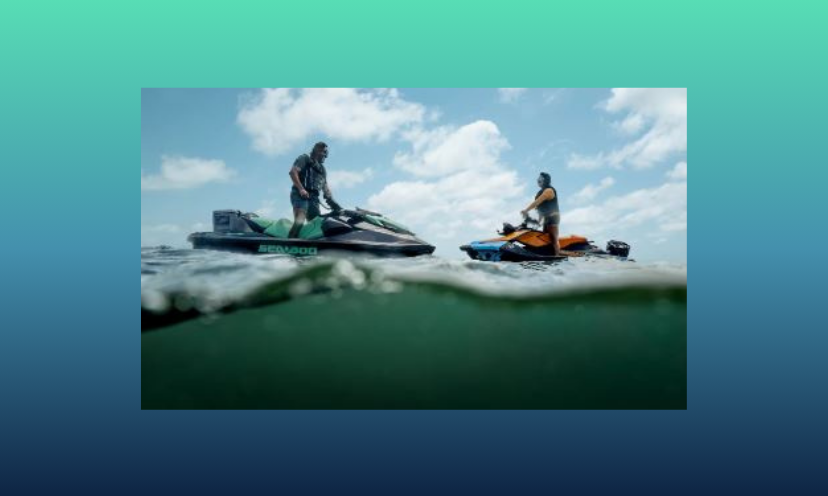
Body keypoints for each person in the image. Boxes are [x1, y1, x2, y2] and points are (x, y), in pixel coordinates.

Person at [288, 142, 340, 238]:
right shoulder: (304, 158)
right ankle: (289, 243)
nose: (326, 155)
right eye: (324, 152)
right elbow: (293, 172)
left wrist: (335, 204)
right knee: (300, 219)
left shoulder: (322, 169)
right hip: (300, 194)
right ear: (318, 150)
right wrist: (301, 189)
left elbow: (326, 188)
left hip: (314, 198)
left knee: (316, 224)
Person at [521, 172, 561, 255]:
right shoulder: (539, 192)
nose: (538, 180)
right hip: (546, 219)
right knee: (545, 238)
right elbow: (540, 209)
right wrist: (539, 222)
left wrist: (526, 210)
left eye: (540, 179)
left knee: (553, 239)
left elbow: (537, 202)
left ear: (545, 180)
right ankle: (546, 254)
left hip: (553, 218)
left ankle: (557, 255)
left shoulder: (549, 190)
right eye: (538, 179)